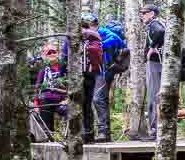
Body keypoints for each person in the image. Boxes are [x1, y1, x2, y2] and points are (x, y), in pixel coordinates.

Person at [62, 14, 103, 143]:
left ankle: (76, 134)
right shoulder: (94, 36)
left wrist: (62, 75)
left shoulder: (71, 37)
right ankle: (89, 134)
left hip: (76, 74)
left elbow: (64, 56)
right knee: (87, 103)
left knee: (75, 102)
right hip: (91, 73)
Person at [91, 14, 128, 143]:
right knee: (101, 99)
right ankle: (104, 134)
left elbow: (116, 39)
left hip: (105, 70)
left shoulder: (102, 31)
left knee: (98, 99)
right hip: (100, 71)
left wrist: (101, 44)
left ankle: (102, 132)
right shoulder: (94, 32)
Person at [139, 4, 165, 141]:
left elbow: (160, 32)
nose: (142, 15)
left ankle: (155, 131)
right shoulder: (156, 24)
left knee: (154, 97)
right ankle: (157, 129)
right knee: (156, 96)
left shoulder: (155, 24)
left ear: (153, 14)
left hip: (155, 64)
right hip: (159, 63)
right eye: (141, 13)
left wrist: (151, 47)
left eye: (145, 13)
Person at [33, 44, 67, 140]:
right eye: (49, 52)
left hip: (61, 100)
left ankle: (68, 137)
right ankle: (49, 139)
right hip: (46, 100)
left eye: (53, 52)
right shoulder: (43, 69)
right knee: (47, 128)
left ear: (58, 53)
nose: (51, 54)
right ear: (45, 55)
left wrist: (68, 99)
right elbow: (37, 87)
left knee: (70, 112)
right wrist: (36, 103)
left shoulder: (64, 67)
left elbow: (71, 84)